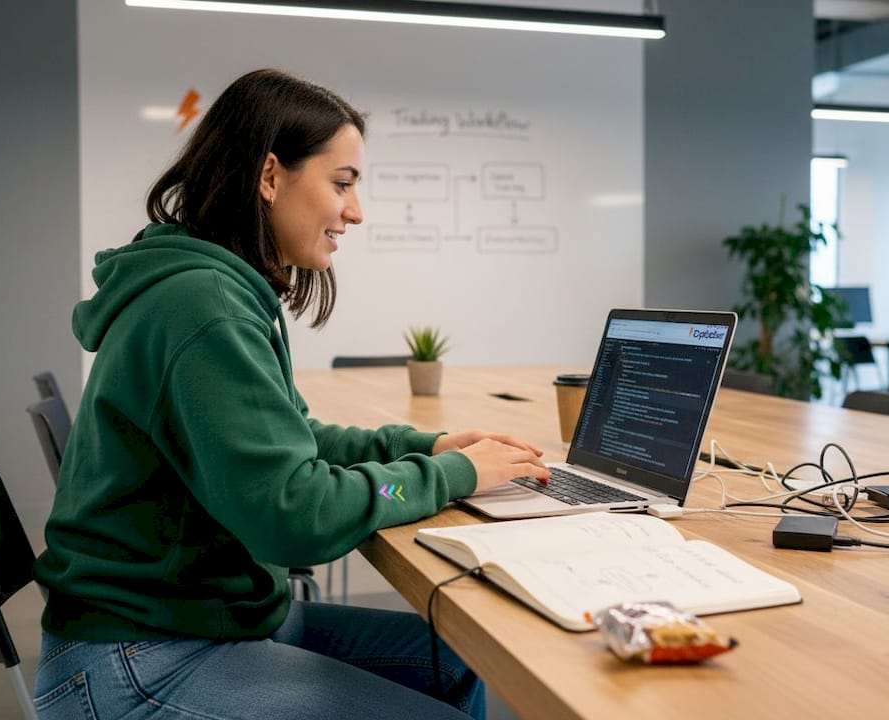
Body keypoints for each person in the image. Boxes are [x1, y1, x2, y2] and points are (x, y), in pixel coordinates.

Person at [31, 69, 550, 720]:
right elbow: (297, 516)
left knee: (454, 662)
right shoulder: (203, 308)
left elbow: (299, 441)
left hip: (202, 618)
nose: (355, 211)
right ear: (271, 176)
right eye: (343, 183)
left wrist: (427, 446)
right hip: (140, 655)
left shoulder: (214, 288)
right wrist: (449, 475)